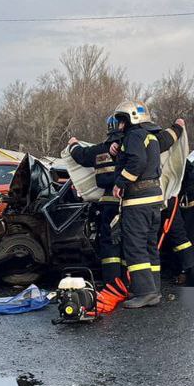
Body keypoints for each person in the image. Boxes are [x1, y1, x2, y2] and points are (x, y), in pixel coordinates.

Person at [111, 100, 164, 308]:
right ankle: (154, 289)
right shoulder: (150, 136)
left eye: (121, 121)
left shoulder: (134, 136)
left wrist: (120, 182)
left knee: (135, 246)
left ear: (130, 119)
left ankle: (145, 292)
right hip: (153, 199)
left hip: (137, 201)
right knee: (150, 246)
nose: (120, 126)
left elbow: (137, 161)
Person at [67, 116, 125, 286]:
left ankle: (113, 285)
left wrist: (73, 144)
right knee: (130, 241)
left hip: (109, 203)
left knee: (109, 243)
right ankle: (130, 283)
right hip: (130, 203)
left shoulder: (99, 150)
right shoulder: (133, 146)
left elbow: (80, 156)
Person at [149, 117, 194, 279]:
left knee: (176, 234)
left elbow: (190, 174)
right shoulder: (166, 150)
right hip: (168, 198)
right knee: (176, 235)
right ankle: (188, 269)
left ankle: (190, 269)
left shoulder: (154, 148)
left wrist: (177, 191)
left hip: (167, 199)